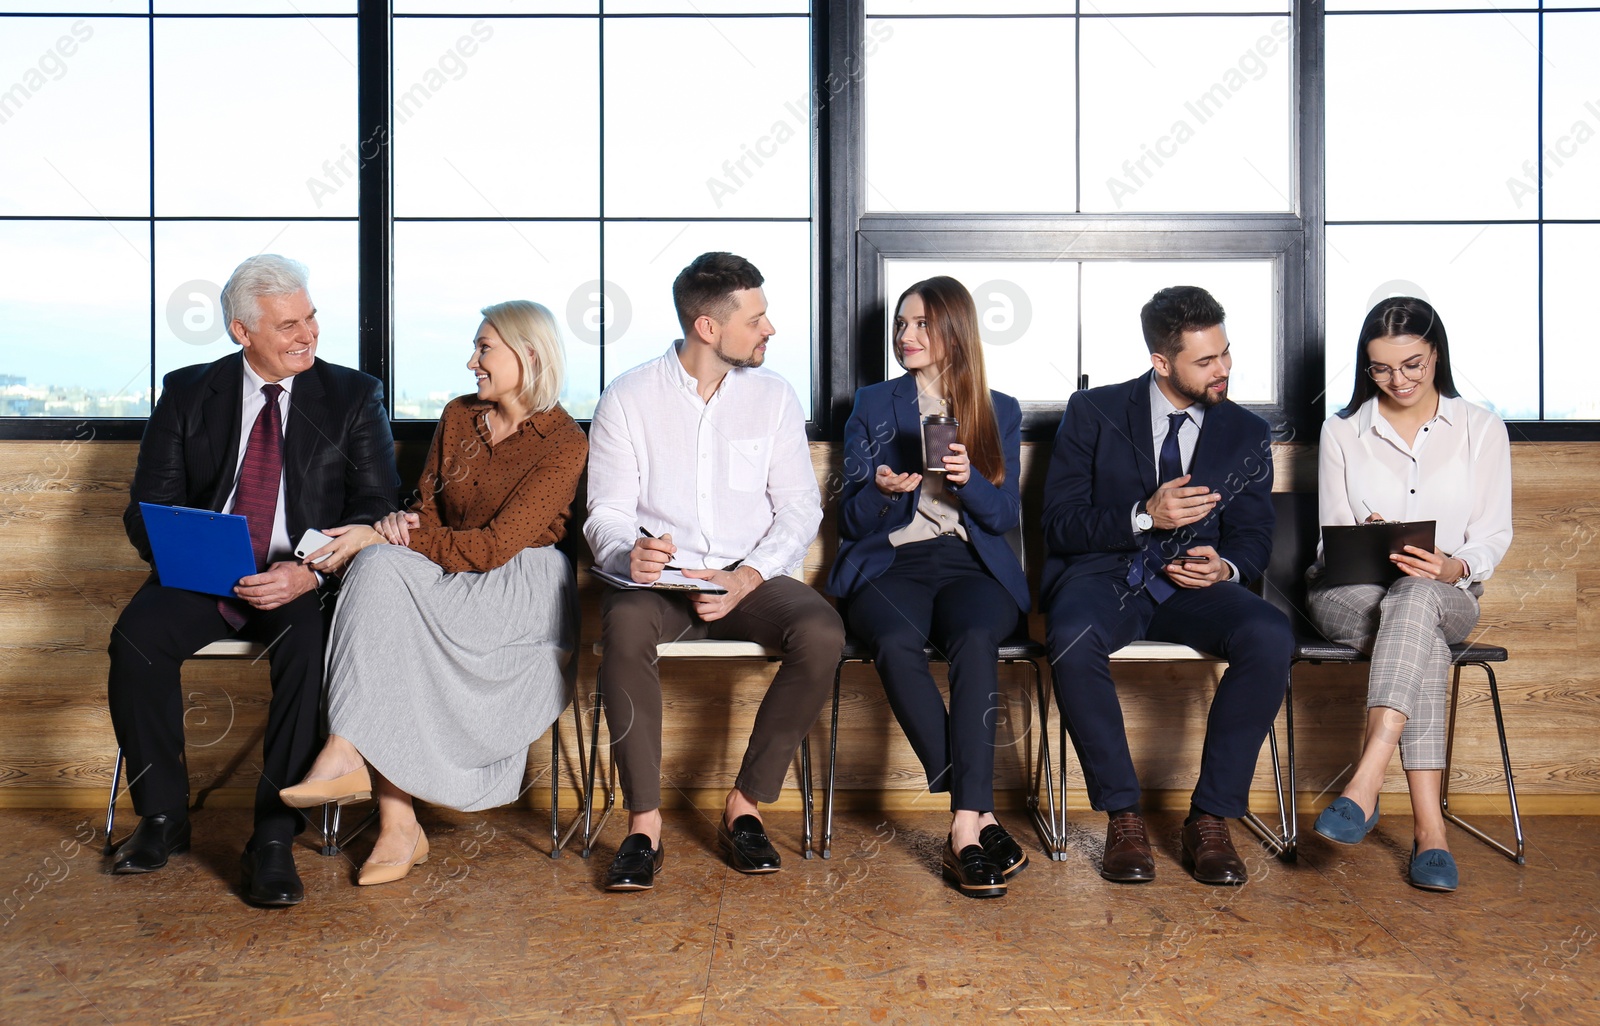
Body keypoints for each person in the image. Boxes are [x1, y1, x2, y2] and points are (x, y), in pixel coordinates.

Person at [107, 254, 400, 907]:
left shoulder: (354, 396)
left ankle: (271, 837)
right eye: (287, 324)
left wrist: (307, 573)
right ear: (242, 331)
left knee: (307, 651)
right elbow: (144, 509)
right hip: (205, 577)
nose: (308, 335)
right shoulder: (188, 392)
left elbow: (376, 507)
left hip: (301, 579)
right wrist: (189, 559)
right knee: (134, 641)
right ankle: (161, 818)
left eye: (311, 317)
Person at [279, 301, 588, 887]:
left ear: (527, 355)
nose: (471, 361)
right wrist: (393, 527)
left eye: (484, 348)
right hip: (451, 564)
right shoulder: (458, 416)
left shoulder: (564, 441)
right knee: (373, 567)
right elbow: (428, 511)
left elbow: (496, 545)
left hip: (520, 582)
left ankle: (397, 823)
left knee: (391, 593)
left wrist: (403, 537)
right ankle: (355, 764)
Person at [585, 251, 845, 892]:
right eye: (756, 318)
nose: (769, 329)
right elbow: (606, 513)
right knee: (620, 630)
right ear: (708, 327)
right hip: (661, 581)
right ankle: (644, 827)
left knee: (823, 633)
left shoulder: (775, 397)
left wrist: (748, 577)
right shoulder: (628, 396)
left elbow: (799, 507)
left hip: (748, 575)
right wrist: (628, 554)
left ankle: (745, 807)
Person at [1041, 285, 1292, 886]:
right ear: (1161, 361)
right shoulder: (1093, 411)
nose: (1223, 370)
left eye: (1225, 354)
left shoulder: (1247, 432)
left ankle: (1210, 816)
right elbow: (1060, 523)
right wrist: (1143, 515)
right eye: (1205, 361)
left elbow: (1255, 537)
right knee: (1072, 637)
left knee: (1269, 633)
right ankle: (1123, 815)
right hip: (1109, 576)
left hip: (1195, 589)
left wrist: (1225, 567)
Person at [826, 276, 1029, 899]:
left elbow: (1002, 519)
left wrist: (970, 481)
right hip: (892, 561)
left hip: (970, 566)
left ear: (954, 331)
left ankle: (963, 829)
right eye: (901, 324)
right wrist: (883, 494)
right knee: (892, 640)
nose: (906, 336)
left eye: (921, 324)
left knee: (973, 638)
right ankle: (979, 813)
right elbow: (848, 518)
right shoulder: (872, 403)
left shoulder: (998, 409)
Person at [1308, 296, 1512, 893]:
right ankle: (1430, 831)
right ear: (1364, 367)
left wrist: (1454, 565)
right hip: (1350, 592)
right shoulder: (1342, 430)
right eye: (1381, 369)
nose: (1398, 380)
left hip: (1446, 591)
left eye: (1413, 365)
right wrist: (1367, 539)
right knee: (1411, 617)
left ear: (1437, 356)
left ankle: (1366, 781)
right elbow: (1327, 546)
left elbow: (1495, 532)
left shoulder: (1480, 427)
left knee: (1418, 600)